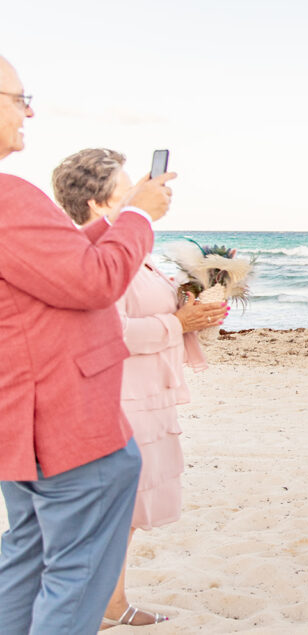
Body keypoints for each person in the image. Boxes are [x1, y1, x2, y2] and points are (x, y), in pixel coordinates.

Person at [0, 55, 174, 634]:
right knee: (74, 574)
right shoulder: (8, 197)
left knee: (29, 554)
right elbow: (92, 280)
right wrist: (139, 218)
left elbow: (51, 262)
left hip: (24, 426)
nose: (29, 110)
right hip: (64, 422)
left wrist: (114, 221)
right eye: (19, 98)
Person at [51, 148, 227, 627]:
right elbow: (113, 333)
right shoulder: (98, 256)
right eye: (127, 188)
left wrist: (195, 312)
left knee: (124, 510)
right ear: (98, 202)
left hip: (147, 393)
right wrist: (177, 320)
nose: (143, 193)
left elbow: (154, 314)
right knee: (111, 509)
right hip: (121, 397)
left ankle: (110, 601)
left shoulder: (131, 252)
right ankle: (96, 606)